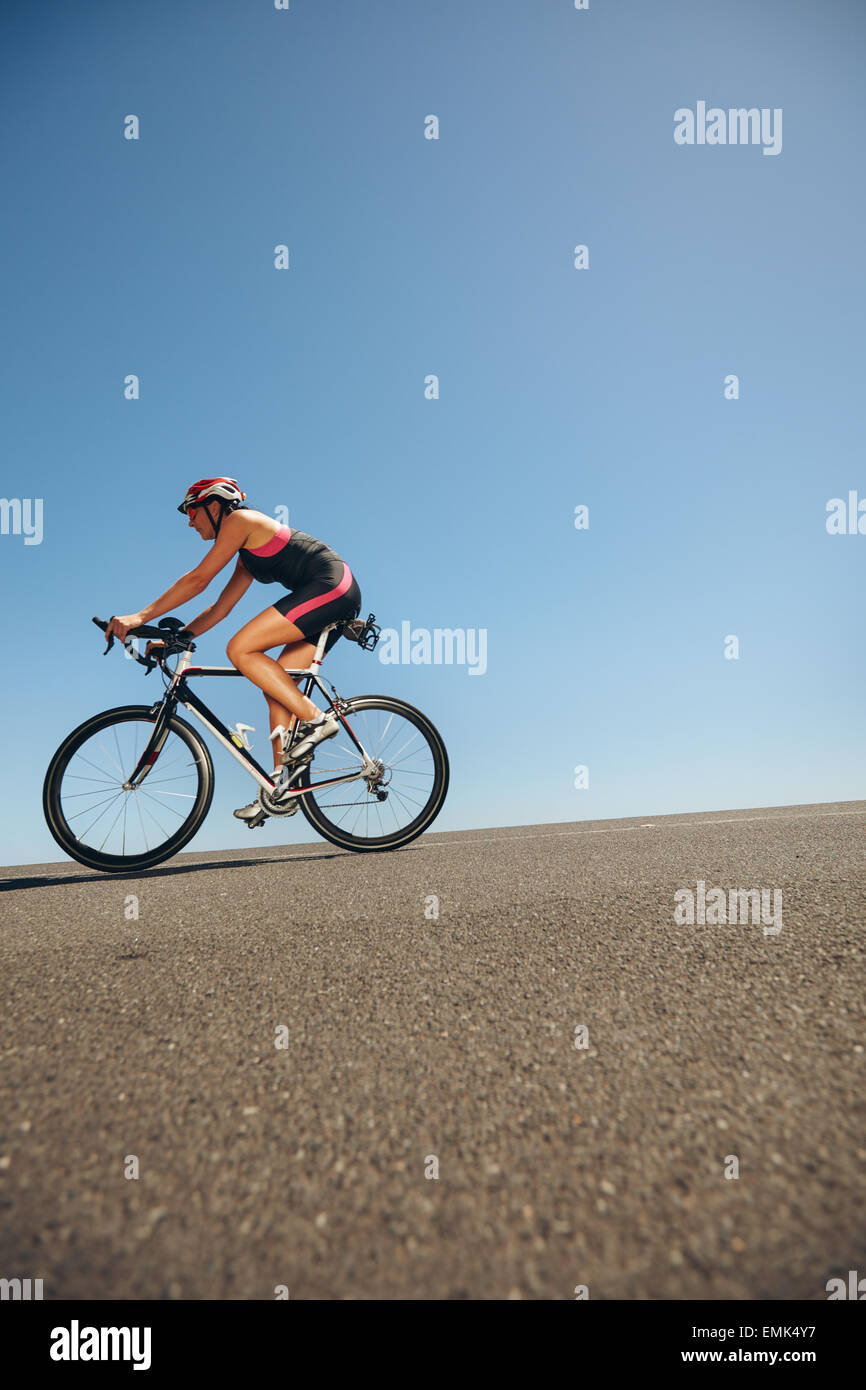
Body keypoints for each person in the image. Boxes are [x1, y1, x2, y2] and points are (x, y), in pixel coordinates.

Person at [105, 478, 361, 820]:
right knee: (279, 690)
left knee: (241, 648)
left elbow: (198, 579)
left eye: (191, 511)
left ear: (214, 506)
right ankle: (281, 787)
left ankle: (317, 720)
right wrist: (176, 638)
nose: (189, 521)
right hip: (327, 594)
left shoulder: (241, 521)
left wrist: (139, 617)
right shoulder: (247, 556)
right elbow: (219, 608)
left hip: (332, 587)